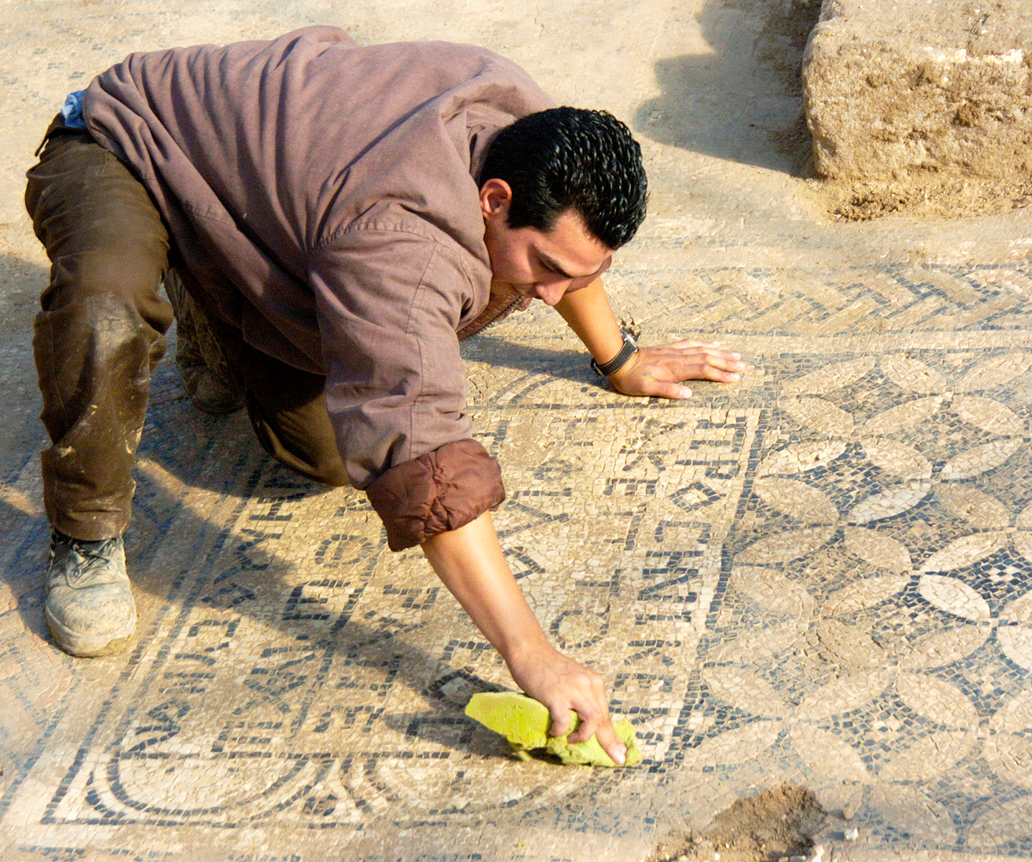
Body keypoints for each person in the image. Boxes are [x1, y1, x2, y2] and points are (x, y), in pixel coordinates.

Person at [25, 26, 744, 765]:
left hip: (267, 193)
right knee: (107, 309)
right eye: (548, 269)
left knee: (332, 455)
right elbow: (421, 449)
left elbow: (569, 256)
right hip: (126, 142)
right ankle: (85, 537)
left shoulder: (523, 128)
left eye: (578, 277)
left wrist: (617, 356)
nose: (554, 294)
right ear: (493, 199)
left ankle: (209, 299)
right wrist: (533, 654)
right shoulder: (401, 237)